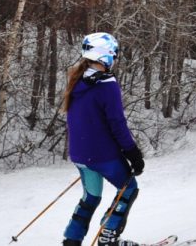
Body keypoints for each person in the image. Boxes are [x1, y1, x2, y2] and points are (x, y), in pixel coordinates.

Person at [62, 33, 145, 246]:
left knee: (91, 197)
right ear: (106, 55)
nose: (116, 58)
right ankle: (108, 238)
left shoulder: (77, 80)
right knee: (129, 189)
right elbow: (116, 123)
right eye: (114, 54)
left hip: (80, 154)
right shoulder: (106, 84)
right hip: (101, 155)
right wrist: (132, 152)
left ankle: (71, 240)